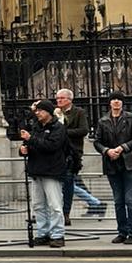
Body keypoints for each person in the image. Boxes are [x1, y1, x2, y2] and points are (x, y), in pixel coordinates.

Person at [93, 97, 132, 244]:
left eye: (119, 99)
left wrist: (122, 147)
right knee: (118, 200)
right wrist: (106, 151)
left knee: (130, 199)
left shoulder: (131, 118)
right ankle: (122, 232)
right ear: (109, 103)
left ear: (122, 103)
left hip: (129, 163)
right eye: (113, 99)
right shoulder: (103, 120)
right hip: (112, 164)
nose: (116, 102)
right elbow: (97, 141)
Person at [53, 88, 106, 224]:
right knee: (69, 182)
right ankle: (95, 204)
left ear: (69, 100)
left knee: (69, 181)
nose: (58, 100)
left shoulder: (78, 112)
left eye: (62, 98)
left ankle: (93, 204)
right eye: (57, 98)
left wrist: (63, 132)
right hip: (56, 152)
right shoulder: (55, 113)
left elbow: (83, 130)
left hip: (72, 153)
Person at [20, 99, 68, 247]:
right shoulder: (36, 127)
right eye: (36, 111)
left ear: (48, 112)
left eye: (40, 110)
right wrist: (23, 150)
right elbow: (30, 144)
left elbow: (51, 146)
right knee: (38, 205)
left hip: (52, 171)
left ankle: (57, 234)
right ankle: (43, 232)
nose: (37, 113)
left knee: (55, 205)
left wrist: (31, 139)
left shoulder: (57, 128)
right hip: (36, 170)